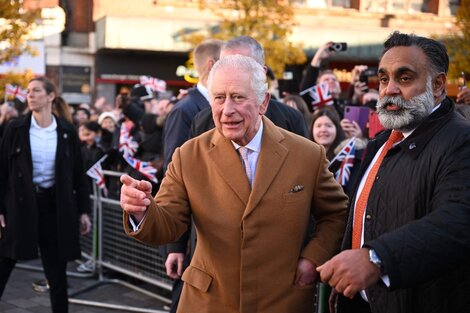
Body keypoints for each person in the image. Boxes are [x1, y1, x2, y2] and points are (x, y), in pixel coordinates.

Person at [120, 55, 348, 313]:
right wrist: (142, 211)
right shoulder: (188, 155)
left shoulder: (307, 155)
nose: (226, 110)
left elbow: (336, 214)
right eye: (219, 98)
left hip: (282, 300)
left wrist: (312, 259)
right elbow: (168, 225)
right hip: (208, 302)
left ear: (263, 102)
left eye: (238, 97)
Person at [317, 32, 470, 313]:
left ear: (437, 85)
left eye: (404, 78)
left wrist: (377, 258)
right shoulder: (380, 144)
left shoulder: (461, 141)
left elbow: (458, 221)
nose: (389, 89)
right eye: (384, 78)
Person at [0, 76, 92, 313]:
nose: (30, 95)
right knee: (5, 263)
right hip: (20, 206)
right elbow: (2, 170)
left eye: (37, 90)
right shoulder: (15, 128)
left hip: (55, 207)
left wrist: (84, 211)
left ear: (50, 96)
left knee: (57, 273)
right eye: (28, 91)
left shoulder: (66, 131)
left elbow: (78, 175)